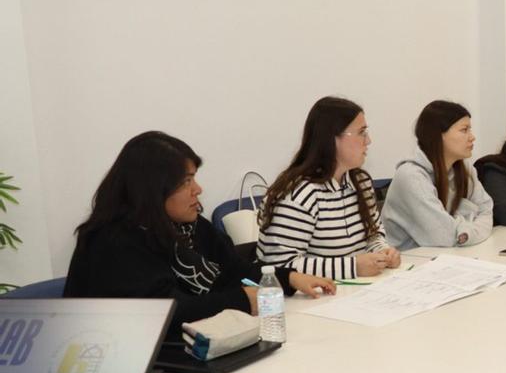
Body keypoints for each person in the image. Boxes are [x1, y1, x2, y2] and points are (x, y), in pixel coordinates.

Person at [64, 131, 335, 342]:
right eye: (186, 181)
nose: (198, 189)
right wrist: (242, 299)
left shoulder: (187, 226)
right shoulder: (113, 242)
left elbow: (234, 270)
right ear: (153, 189)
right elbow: (166, 313)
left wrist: (287, 278)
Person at [257, 97, 401, 280]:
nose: (368, 141)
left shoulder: (360, 182)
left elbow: (373, 234)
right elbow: (278, 267)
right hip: (309, 300)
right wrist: (352, 266)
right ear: (332, 138)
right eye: (361, 132)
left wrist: (383, 252)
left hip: (353, 291)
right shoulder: (299, 195)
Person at [383, 100, 493, 249]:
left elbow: (486, 210)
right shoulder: (411, 176)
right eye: (464, 130)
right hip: (409, 263)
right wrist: (467, 216)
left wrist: (465, 231)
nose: (472, 137)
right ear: (439, 135)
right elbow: (444, 237)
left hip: (449, 257)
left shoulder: (464, 168)